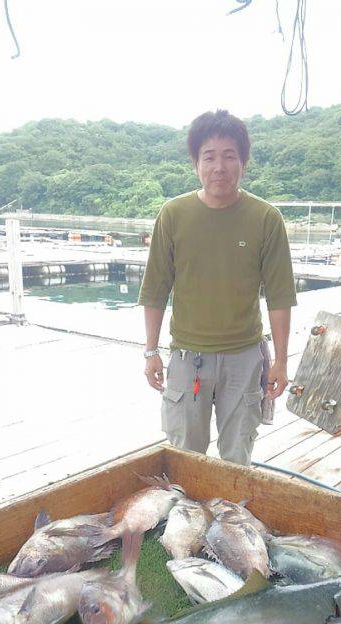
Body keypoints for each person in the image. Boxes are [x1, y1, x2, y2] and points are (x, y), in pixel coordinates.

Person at [138, 109, 296, 466]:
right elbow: (154, 291)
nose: (219, 166)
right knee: (184, 457)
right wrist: (151, 352)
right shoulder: (173, 214)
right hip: (186, 359)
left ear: (243, 162)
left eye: (229, 156)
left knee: (237, 456)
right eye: (209, 156)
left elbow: (280, 297)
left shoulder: (266, 218)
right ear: (196, 163)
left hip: (244, 357)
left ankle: (229, 518)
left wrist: (282, 362)